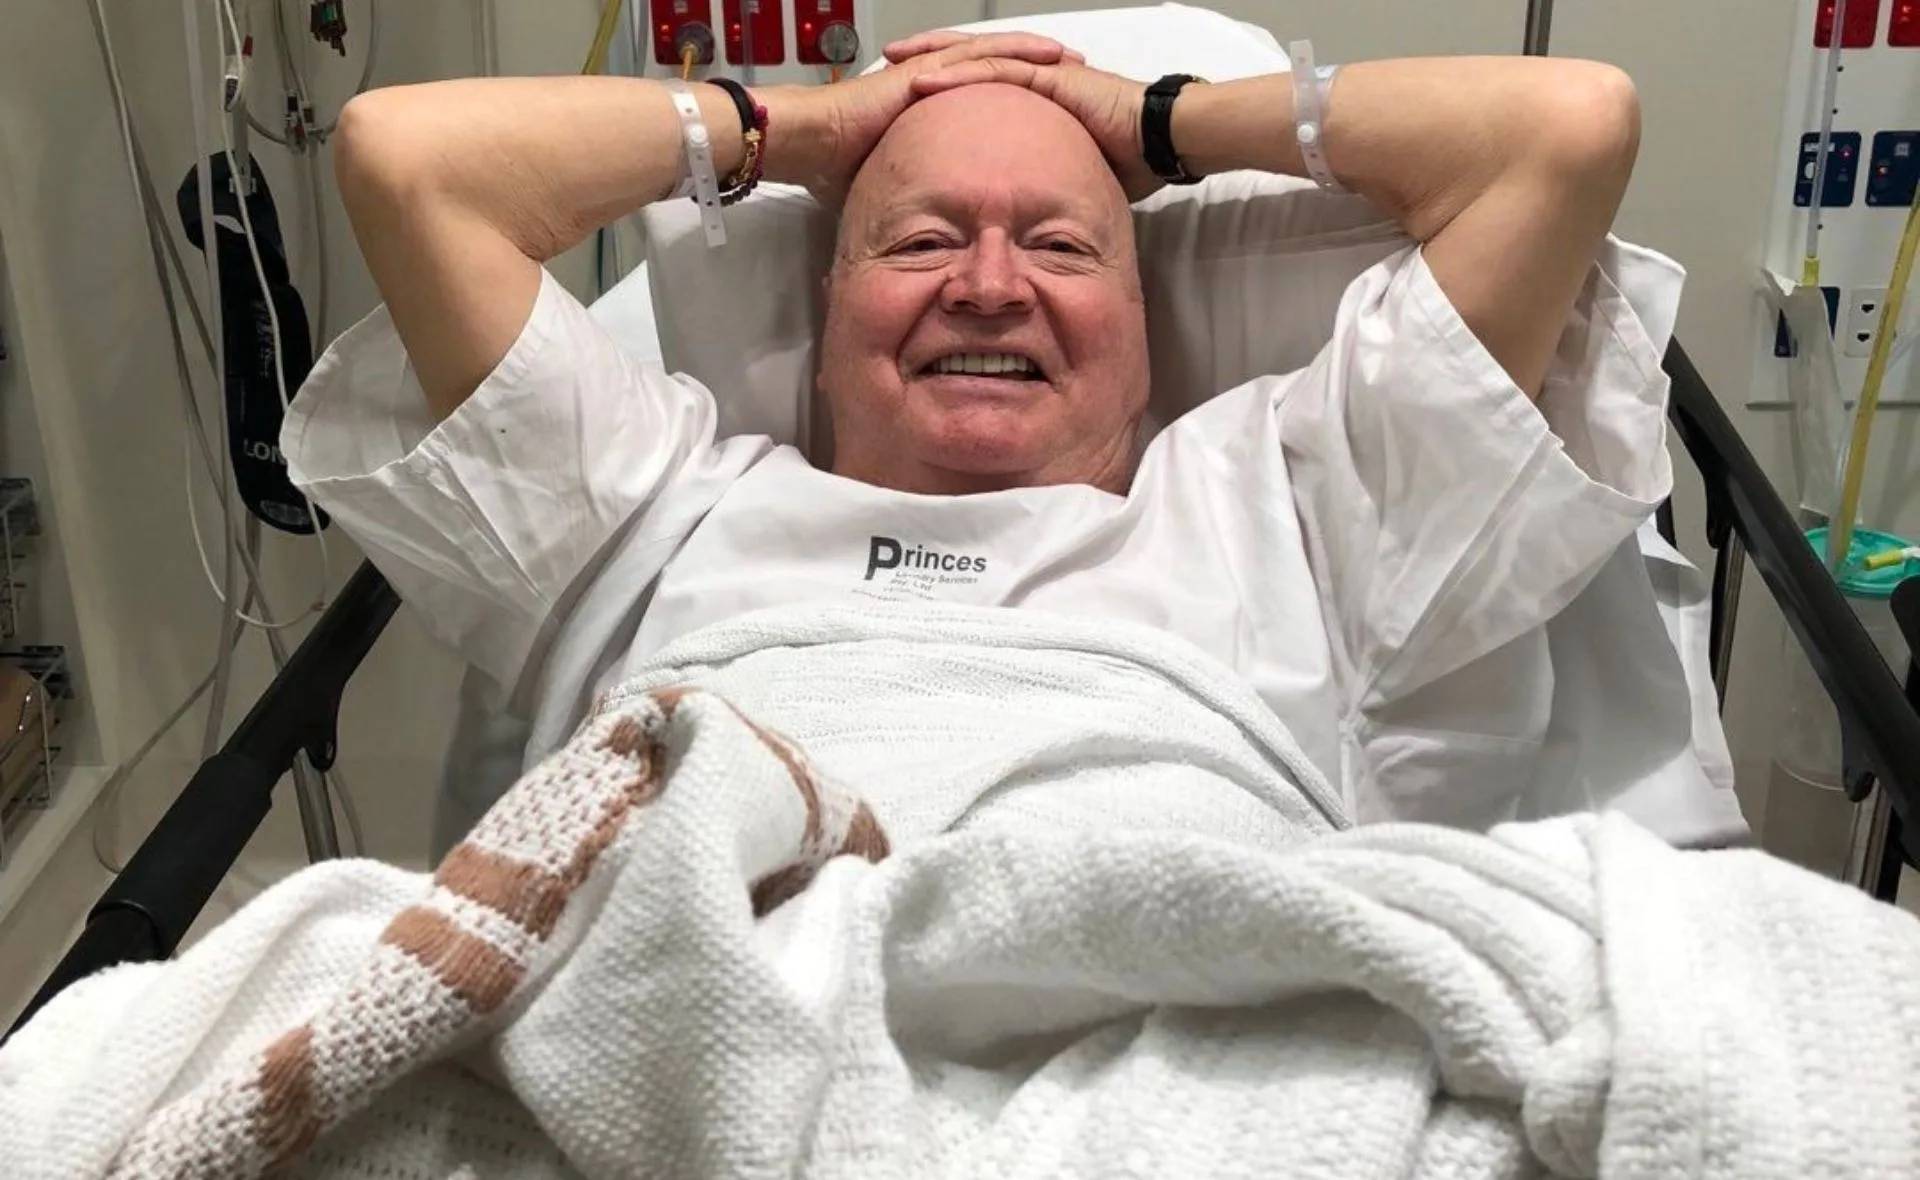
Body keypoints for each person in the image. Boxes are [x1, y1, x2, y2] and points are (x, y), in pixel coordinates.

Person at [285, 30, 1691, 848]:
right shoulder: (654, 508)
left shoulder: (1294, 505)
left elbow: (1566, 127)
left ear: (1147, 327)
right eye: (921, 238)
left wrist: (1166, 124)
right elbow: (410, 160)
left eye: (1067, 246)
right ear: (824, 306)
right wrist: (800, 128)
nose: (991, 284)